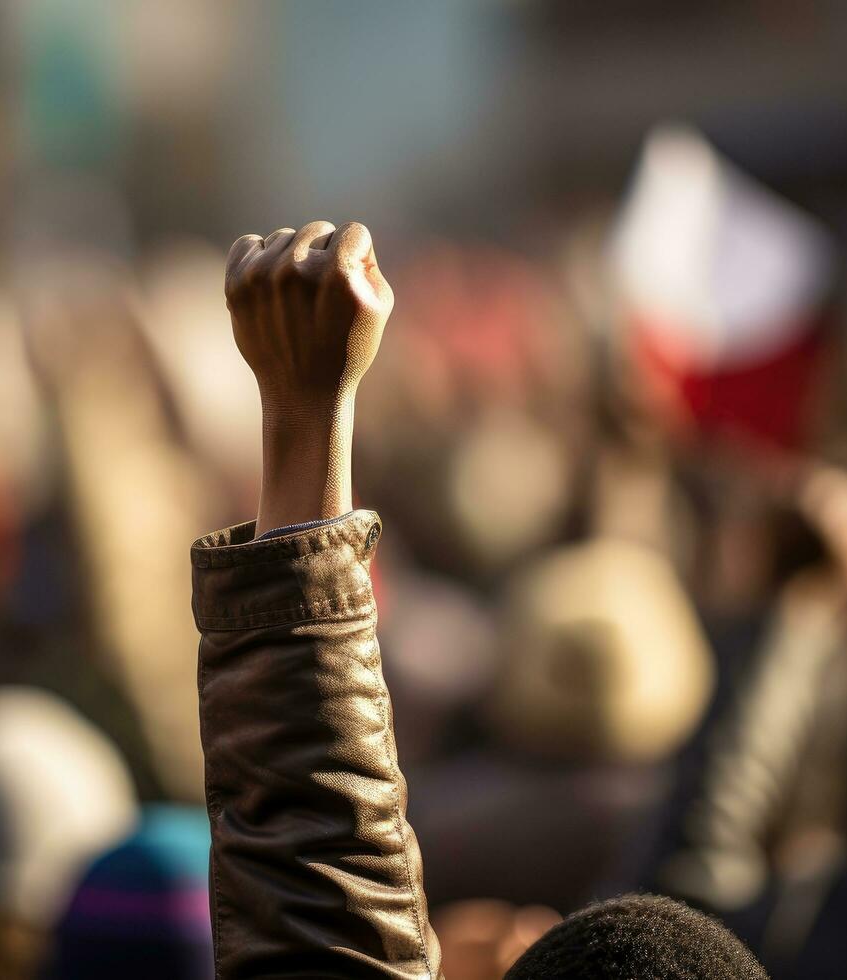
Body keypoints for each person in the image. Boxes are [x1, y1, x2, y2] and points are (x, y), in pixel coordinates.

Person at [188, 219, 769, 978]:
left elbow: (323, 879)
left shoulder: (441, 836)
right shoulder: (737, 860)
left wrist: (307, 416)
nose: (526, 928)